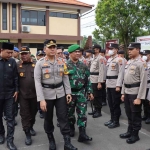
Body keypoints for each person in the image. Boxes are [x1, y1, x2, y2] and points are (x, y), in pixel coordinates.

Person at [34, 39, 77, 150]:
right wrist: (41, 99)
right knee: (48, 119)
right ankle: (51, 140)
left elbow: (65, 78)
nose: (53, 49)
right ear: (45, 49)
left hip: (60, 94)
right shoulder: (40, 63)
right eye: (50, 47)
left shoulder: (62, 62)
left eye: (54, 47)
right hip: (46, 95)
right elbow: (37, 82)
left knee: (63, 118)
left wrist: (68, 93)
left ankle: (67, 143)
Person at [120, 42, 147, 144]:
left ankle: (135, 135)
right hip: (127, 92)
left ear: (138, 50)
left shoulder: (141, 63)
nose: (129, 51)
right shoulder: (129, 62)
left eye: (131, 49)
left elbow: (143, 82)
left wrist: (139, 98)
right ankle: (129, 131)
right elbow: (125, 79)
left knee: (135, 114)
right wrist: (123, 93)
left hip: (135, 93)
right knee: (128, 113)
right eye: (128, 49)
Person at [67, 44, 94, 142]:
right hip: (69, 94)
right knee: (70, 114)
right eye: (75, 52)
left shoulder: (83, 65)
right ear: (70, 53)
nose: (78, 53)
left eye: (79, 51)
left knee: (82, 114)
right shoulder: (65, 65)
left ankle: (82, 134)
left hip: (81, 93)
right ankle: (71, 128)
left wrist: (90, 91)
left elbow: (88, 79)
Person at [17, 46, 37, 146]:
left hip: (35, 95)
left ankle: (31, 126)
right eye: (22, 54)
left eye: (25, 53)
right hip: (23, 95)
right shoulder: (17, 65)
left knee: (33, 114)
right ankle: (27, 133)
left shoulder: (36, 64)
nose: (24, 56)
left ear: (29, 54)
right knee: (25, 115)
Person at [0, 42, 18, 150]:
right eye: (8, 52)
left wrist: (16, 89)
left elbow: (16, 76)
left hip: (10, 94)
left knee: (10, 118)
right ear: (1, 50)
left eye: (11, 52)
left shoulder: (12, 62)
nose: (10, 55)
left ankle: (10, 140)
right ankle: (1, 134)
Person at [104, 43, 125, 128]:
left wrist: (118, 85)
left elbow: (121, 73)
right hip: (109, 84)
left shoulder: (120, 59)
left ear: (116, 50)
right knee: (110, 103)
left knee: (115, 103)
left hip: (115, 84)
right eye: (110, 48)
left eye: (112, 48)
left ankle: (116, 121)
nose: (110, 50)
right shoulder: (110, 59)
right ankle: (112, 119)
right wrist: (106, 84)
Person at [88, 44, 106, 118]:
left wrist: (99, 82)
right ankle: (95, 109)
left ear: (98, 50)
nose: (93, 50)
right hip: (92, 78)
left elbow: (101, 71)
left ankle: (99, 111)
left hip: (96, 79)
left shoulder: (100, 58)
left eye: (94, 49)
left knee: (98, 96)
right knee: (93, 95)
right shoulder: (93, 58)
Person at [141, 50, 150, 124]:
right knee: (144, 101)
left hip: (149, 85)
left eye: (146, 54)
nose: (144, 56)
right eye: (143, 54)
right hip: (144, 85)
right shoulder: (143, 63)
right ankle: (145, 114)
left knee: (148, 102)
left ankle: (149, 117)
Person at [36, 49, 45, 119]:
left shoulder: (45, 63)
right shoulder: (34, 63)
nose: (41, 57)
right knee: (39, 99)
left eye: (42, 55)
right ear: (37, 56)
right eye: (39, 55)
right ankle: (40, 110)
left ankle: (44, 110)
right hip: (36, 84)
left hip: (44, 85)